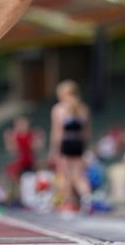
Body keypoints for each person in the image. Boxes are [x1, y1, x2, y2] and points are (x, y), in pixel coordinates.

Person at [49, 80, 92, 212]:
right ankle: (86, 197)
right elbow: (86, 132)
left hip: (66, 143)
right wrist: (85, 147)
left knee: (66, 175)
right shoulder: (83, 108)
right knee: (79, 175)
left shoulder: (59, 108)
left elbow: (57, 132)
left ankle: (69, 203)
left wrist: (54, 150)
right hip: (78, 143)